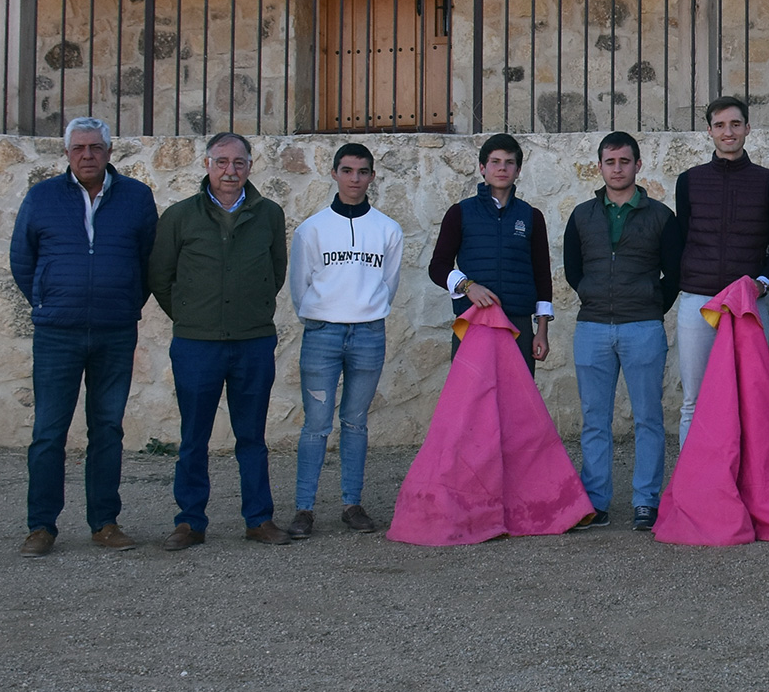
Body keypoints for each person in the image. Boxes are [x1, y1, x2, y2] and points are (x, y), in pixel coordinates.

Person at [11, 118, 158, 557]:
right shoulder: (42, 197)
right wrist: (47, 301)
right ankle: (41, 526)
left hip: (115, 331)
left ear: (110, 151)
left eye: (96, 147)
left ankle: (105, 523)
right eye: (79, 148)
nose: (87, 155)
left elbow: (149, 261)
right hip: (57, 333)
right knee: (49, 431)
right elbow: (23, 259)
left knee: (108, 429)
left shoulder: (136, 197)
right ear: (67, 153)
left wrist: (127, 302)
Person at [150, 132, 290, 549]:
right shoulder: (179, 216)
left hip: (252, 341)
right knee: (194, 435)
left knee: (252, 436)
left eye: (239, 163)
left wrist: (251, 310)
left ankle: (258, 520)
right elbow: (160, 276)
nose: (231, 171)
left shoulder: (269, 214)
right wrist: (193, 315)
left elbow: (276, 271)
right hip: (197, 344)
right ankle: (190, 521)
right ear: (207, 164)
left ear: (250, 166)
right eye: (222, 162)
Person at [563, 131, 683, 532]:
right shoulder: (582, 215)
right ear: (600, 166)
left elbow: (674, 273)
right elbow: (573, 269)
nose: (617, 168)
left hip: (643, 328)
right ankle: (596, 502)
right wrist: (592, 295)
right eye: (610, 162)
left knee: (648, 418)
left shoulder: (661, 216)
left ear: (638, 165)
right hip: (593, 328)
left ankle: (645, 501)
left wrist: (649, 305)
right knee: (595, 419)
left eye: (624, 161)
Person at [286, 142, 403, 538]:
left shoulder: (388, 229)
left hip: (369, 333)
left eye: (363, 171)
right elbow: (299, 287)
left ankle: (352, 503)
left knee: (355, 423)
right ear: (334, 173)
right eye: (348, 170)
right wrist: (324, 315)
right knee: (316, 425)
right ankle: (305, 508)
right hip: (322, 333)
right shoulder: (312, 229)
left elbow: (389, 284)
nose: (355, 179)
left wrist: (363, 312)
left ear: (372, 177)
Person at [673, 96, 769, 440]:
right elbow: (682, 238)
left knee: (750, 399)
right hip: (697, 302)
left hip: (748, 305)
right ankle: (693, 490)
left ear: (748, 128)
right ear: (709, 131)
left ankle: (746, 485)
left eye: (736, 124)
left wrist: (763, 282)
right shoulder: (689, 181)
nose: (728, 132)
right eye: (720, 125)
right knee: (694, 401)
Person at [428, 133, 554, 376]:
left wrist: (541, 330)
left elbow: (542, 276)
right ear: (482, 168)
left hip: (518, 324)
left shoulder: (531, 216)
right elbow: (438, 267)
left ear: (518, 170)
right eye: (495, 162)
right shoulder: (460, 213)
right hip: (474, 321)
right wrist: (467, 286)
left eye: (509, 162)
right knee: (471, 403)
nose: (502, 168)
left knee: (516, 402)